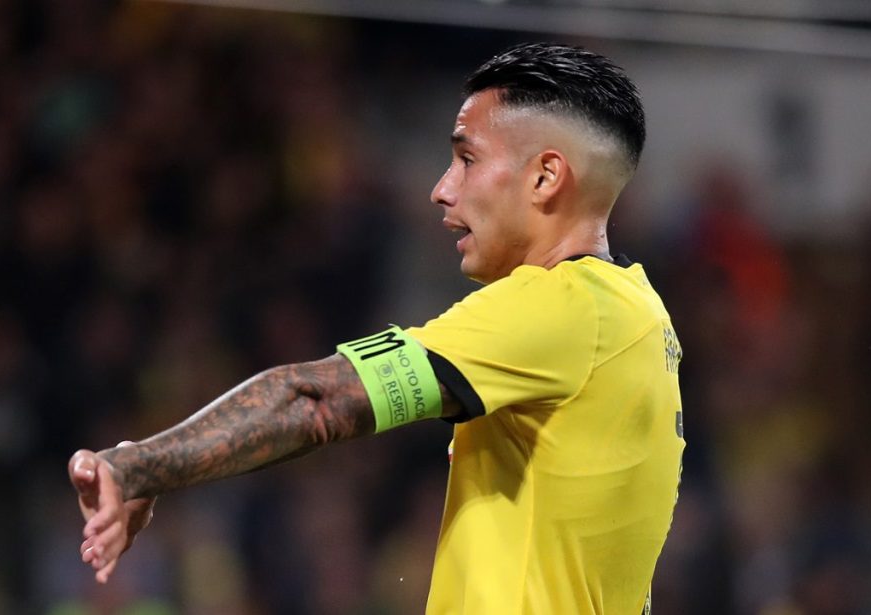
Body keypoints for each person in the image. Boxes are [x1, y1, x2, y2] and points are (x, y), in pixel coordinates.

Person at [69, 42, 685, 614]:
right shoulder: (638, 316)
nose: (441, 189)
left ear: (546, 177)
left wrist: (141, 465)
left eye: (467, 159)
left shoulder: (561, 306)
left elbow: (317, 402)